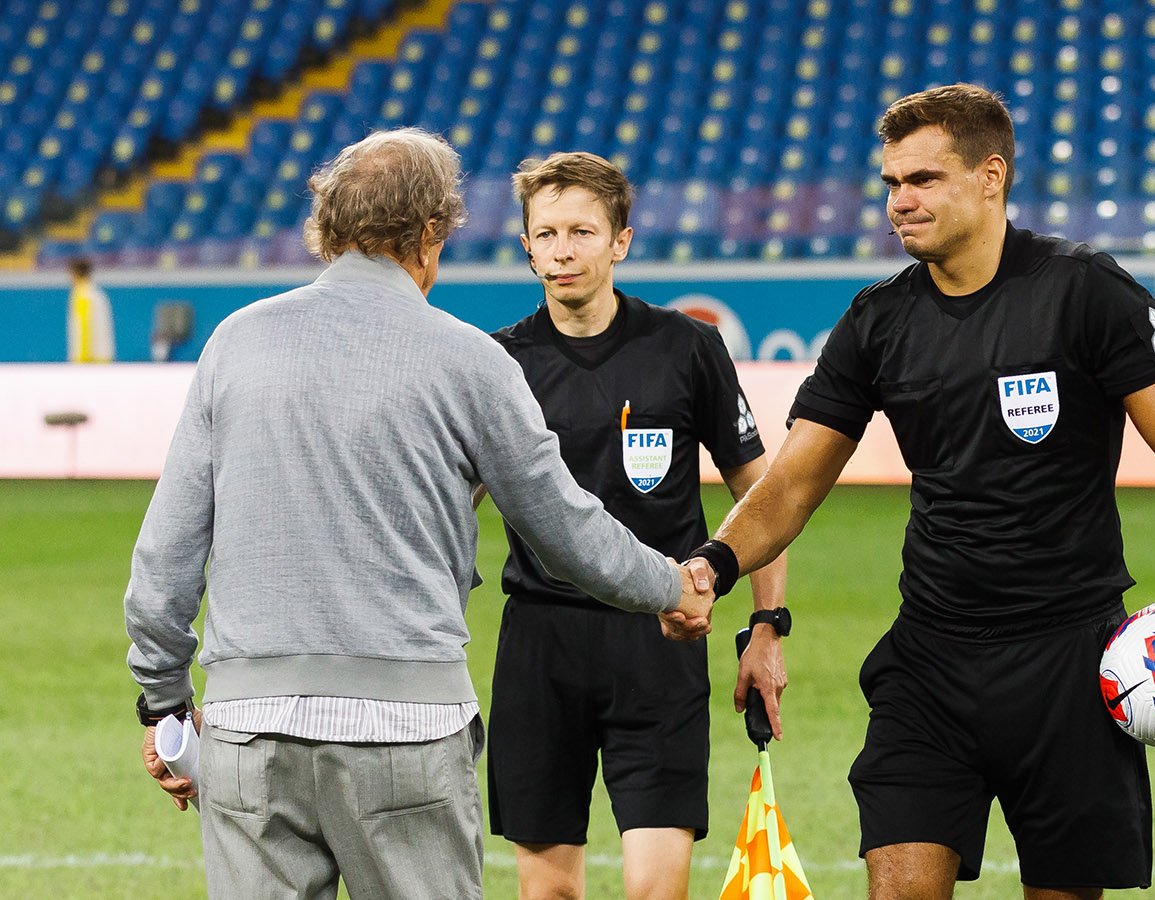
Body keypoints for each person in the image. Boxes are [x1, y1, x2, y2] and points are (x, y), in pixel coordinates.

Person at [685, 84, 1155, 900]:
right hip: (929, 660)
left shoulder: (1084, 290)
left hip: (1071, 663)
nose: (899, 201)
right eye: (890, 183)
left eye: (922, 179)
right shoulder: (877, 321)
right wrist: (711, 568)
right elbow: (791, 485)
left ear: (990, 176)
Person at [124, 128, 713, 900]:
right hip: (403, 730)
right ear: (432, 234)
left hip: (250, 729)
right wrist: (672, 585)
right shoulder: (471, 359)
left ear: (327, 224)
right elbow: (566, 529)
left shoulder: (237, 343)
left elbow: (164, 558)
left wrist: (166, 707)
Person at [482, 151, 789, 900]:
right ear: (525, 245)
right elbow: (447, 513)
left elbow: (762, 493)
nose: (562, 250)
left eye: (582, 231)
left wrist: (767, 626)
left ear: (619, 240)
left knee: (658, 889)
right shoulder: (496, 364)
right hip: (540, 646)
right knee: (546, 892)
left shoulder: (686, 347)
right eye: (545, 233)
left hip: (661, 637)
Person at [67, 257, 115, 362]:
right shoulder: (98, 294)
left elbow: (84, 327)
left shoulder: (82, 294)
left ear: (75, 273)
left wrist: (82, 359)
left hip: (90, 360)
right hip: (103, 357)